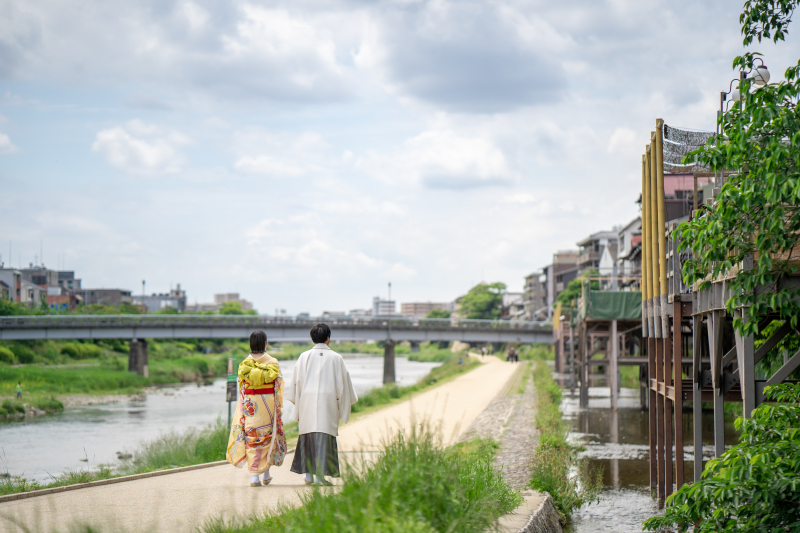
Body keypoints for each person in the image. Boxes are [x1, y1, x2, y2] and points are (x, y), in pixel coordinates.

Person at [285, 323, 357, 486]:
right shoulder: (337, 358)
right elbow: (344, 384)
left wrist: (299, 401)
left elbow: (296, 383)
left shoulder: (304, 356)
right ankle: (319, 477)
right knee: (324, 435)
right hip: (328, 400)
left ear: (312, 338)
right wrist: (343, 402)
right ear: (328, 338)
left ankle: (309, 475)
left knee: (309, 435)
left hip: (307, 400)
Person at [226, 330, 288, 487]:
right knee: (268, 435)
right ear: (265, 344)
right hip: (268, 404)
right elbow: (279, 385)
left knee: (252, 438)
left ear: (250, 344)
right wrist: (278, 404)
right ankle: (266, 474)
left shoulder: (244, 364)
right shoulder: (272, 362)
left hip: (250, 405)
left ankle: (256, 477)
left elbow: (241, 386)